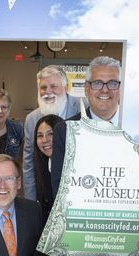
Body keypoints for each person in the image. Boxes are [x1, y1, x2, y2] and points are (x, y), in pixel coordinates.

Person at [51, 56, 121, 198]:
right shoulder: (64, 130)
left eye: (112, 83)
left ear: (121, 88)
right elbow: (59, 187)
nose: (105, 90)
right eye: (97, 83)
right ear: (87, 89)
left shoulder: (137, 128)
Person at [23, 65, 81, 201]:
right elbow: (29, 163)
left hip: (77, 192)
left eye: (53, 86)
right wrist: (31, 203)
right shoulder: (32, 119)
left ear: (66, 88)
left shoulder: (82, 109)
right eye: (43, 87)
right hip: (46, 191)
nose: (48, 92)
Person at [33, 114, 63, 224]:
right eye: (40, 136)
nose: (45, 140)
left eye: (51, 134)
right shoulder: (42, 164)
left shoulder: (72, 166)